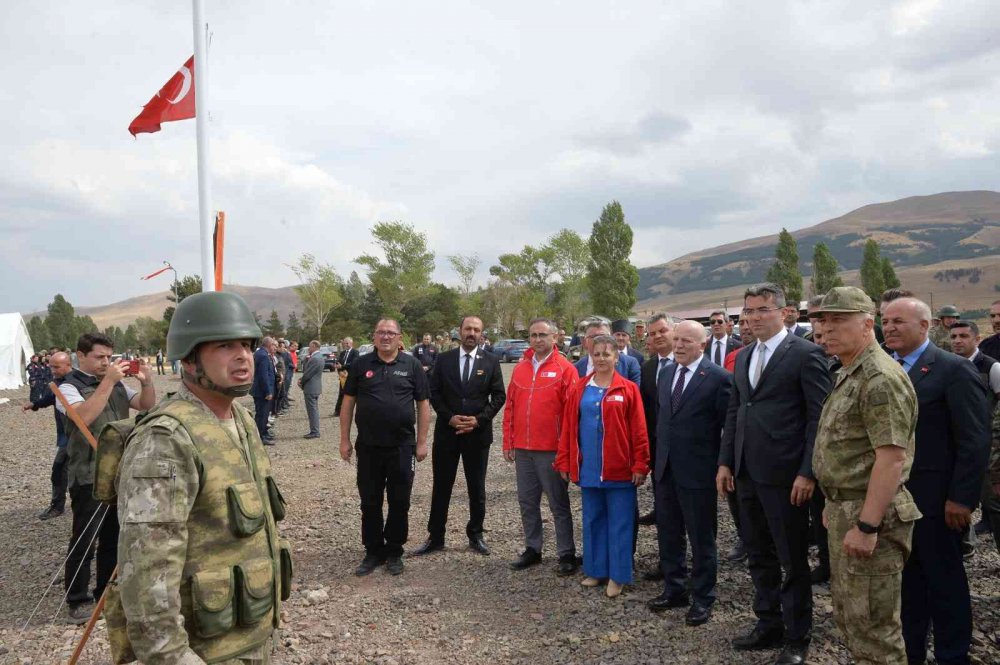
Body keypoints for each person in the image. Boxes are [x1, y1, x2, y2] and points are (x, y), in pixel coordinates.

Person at [116, 290, 289, 664]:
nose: (243, 356)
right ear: (190, 360)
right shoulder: (165, 439)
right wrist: (172, 656)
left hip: (249, 638)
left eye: (246, 344)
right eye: (225, 346)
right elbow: (147, 570)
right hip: (204, 652)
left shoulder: (241, 420)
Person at [717, 283, 831, 665]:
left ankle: (798, 636)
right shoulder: (744, 355)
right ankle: (768, 622)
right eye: (748, 311)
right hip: (746, 474)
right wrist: (726, 462)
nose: (754, 317)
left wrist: (807, 471)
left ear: (784, 312)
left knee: (791, 558)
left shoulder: (806, 354)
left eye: (763, 309)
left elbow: (818, 418)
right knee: (757, 553)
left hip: (787, 478)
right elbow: (736, 411)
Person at [811, 287, 921, 665]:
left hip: (872, 514)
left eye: (839, 320)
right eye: (823, 321)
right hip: (847, 508)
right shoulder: (851, 370)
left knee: (875, 630)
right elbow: (849, 448)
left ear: (867, 324)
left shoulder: (879, 377)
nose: (827, 329)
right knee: (851, 618)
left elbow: (890, 458)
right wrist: (833, 500)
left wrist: (868, 525)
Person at [880, 297, 990, 665]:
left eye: (899, 321)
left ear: (925, 326)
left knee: (943, 583)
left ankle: (951, 654)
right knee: (906, 585)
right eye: (885, 320)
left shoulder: (952, 369)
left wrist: (962, 499)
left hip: (936, 500)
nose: (889, 327)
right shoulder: (881, 367)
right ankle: (910, 652)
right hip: (893, 498)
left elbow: (974, 439)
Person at [57, 332, 156, 624]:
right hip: (88, 473)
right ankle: (77, 600)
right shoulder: (67, 386)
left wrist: (147, 381)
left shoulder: (115, 384)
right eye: (99, 357)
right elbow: (81, 418)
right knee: (84, 540)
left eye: (108, 357)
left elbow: (146, 405)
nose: (105, 362)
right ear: (81, 355)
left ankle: (105, 593)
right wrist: (109, 381)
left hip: (119, 471)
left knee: (114, 537)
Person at [648, 322, 731, 625]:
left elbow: (728, 429)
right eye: (676, 339)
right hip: (666, 469)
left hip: (698, 473)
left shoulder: (719, 379)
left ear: (703, 344)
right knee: (668, 533)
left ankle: (703, 598)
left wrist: (723, 466)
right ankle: (675, 589)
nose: (679, 345)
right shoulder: (667, 372)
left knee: (701, 538)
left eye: (686, 341)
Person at [556, 334, 649, 598]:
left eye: (607, 354)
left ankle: (618, 576)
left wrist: (640, 464)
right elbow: (568, 429)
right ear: (590, 356)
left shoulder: (628, 389)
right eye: (596, 354)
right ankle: (596, 570)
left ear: (617, 357)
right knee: (593, 520)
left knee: (620, 523)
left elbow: (639, 431)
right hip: (589, 469)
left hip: (620, 469)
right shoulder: (579, 388)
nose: (601, 359)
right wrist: (565, 460)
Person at [340, 319, 430, 577]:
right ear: (374, 336)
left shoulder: (412, 365)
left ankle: (394, 550)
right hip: (368, 447)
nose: (386, 337)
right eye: (381, 332)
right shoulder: (361, 364)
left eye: (391, 333)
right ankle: (373, 550)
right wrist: (344, 440)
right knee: (370, 501)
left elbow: (423, 404)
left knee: (400, 500)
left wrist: (422, 441)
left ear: (400, 337)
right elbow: (348, 403)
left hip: (402, 447)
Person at [413, 316, 506, 557]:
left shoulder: (492, 361)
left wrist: (479, 420)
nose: (471, 333)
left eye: (476, 329)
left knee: (477, 487)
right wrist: (449, 416)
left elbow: (498, 396)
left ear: (481, 334)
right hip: (448, 433)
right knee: (442, 486)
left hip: (477, 435)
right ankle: (436, 536)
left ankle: (476, 534)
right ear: (460, 331)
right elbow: (433, 392)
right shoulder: (443, 360)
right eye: (468, 329)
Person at [503, 317, 579, 575]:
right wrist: (508, 441)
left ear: (555, 337)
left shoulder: (565, 369)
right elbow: (510, 407)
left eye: (543, 335)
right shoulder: (520, 368)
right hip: (523, 449)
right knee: (527, 502)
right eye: (533, 335)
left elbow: (572, 415)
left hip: (551, 450)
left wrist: (567, 451)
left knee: (558, 503)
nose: (537, 340)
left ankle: (566, 553)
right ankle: (533, 549)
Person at [23, 351, 73, 520]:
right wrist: (35, 404)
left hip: (76, 435)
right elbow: (52, 398)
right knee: (60, 470)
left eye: (56, 367)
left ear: (68, 365)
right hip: (65, 435)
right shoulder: (57, 382)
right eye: (51, 366)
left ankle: (62, 506)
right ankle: (58, 505)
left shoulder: (76, 383)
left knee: (61, 469)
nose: (52, 370)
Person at [638, 314, 674, 531]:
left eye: (662, 331)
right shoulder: (648, 368)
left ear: (673, 331)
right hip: (657, 449)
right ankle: (668, 561)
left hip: (687, 452)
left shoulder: (687, 363)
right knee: (664, 505)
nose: (658, 336)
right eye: (652, 334)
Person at [575, 321, 641, 386]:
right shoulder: (577, 367)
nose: (598, 340)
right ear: (586, 340)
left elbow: (634, 393)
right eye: (594, 337)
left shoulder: (630, 363)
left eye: (602, 336)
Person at [251, 337, 276, 444]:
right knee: (262, 414)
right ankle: (260, 437)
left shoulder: (261, 354)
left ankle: (264, 433)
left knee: (264, 414)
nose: (275, 347)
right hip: (262, 392)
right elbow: (263, 375)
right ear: (269, 345)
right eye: (274, 345)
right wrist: (268, 392)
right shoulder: (263, 356)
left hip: (262, 390)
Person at [299, 340, 324, 439]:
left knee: (312, 411)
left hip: (311, 388)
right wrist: (306, 359)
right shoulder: (318, 357)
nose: (309, 349)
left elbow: (308, 373)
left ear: (314, 346)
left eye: (310, 347)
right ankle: (314, 430)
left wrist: (301, 382)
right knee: (314, 410)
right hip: (315, 387)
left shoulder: (315, 359)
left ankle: (315, 431)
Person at [334, 337, 357, 417]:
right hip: (343, 377)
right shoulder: (342, 353)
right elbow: (338, 364)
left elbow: (354, 363)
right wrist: (339, 371)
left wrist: (343, 367)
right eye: (345, 343)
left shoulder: (355, 352)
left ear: (351, 343)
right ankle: (337, 411)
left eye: (348, 343)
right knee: (341, 393)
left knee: (353, 394)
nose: (346, 345)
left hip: (351, 376)